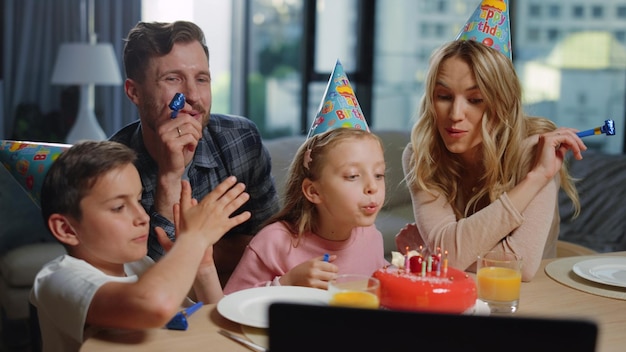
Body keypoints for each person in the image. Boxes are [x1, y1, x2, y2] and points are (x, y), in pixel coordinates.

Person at [29, 141, 250, 351]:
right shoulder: (59, 278)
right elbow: (153, 305)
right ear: (66, 229)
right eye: (118, 207)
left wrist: (203, 268)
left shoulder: (140, 265)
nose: (143, 217)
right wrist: (194, 239)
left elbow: (216, 324)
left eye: (139, 200)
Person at [397, 40, 585, 282]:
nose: (455, 115)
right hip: (455, 296)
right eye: (443, 96)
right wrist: (444, 253)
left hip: (529, 300)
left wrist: (536, 177)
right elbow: (451, 257)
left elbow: (523, 266)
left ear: (501, 103)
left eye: (475, 100)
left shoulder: (536, 152)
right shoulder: (422, 155)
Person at [110, 21, 279, 287]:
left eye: (201, 79)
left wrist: (192, 250)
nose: (192, 95)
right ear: (135, 92)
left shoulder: (242, 139)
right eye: (173, 79)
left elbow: (274, 250)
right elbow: (144, 285)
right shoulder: (111, 170)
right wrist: (169, 177)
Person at [224, 128, 389, 294]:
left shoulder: (371, 236)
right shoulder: (273, 242)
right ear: (314, 191)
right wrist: (287, 284)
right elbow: (230, 307)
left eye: (379, 175)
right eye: (352, 176)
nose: (373, 187)